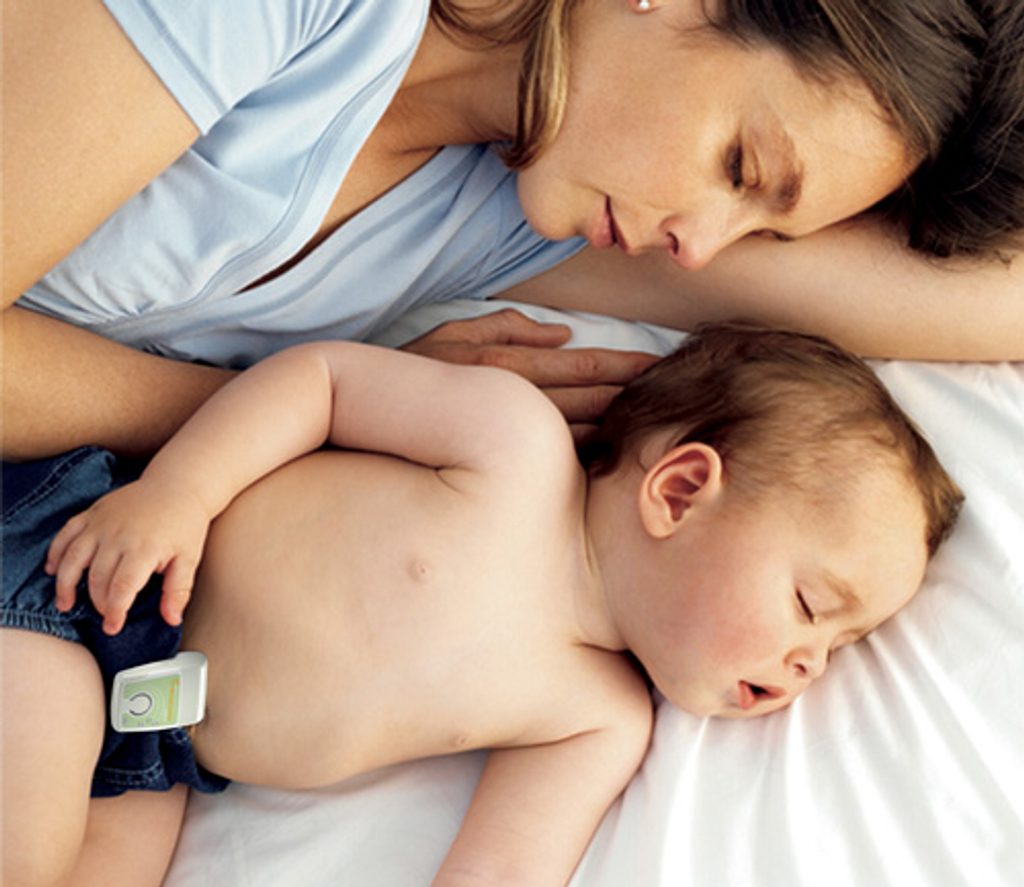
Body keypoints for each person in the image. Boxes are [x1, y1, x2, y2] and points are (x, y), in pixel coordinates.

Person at [3, 323, 964, 886]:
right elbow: (323, 380)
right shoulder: (515, 446)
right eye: (811, 604)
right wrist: (182, 491)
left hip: (157, 756)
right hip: (91, 579)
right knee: (26, 853)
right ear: (678, 491)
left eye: (844, 644)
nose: (812, 662)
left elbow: (502, 869)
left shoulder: (598, 717)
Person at [3, 0, 1023, 460]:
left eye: (765, 226)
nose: (705, 246)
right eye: (740, 168)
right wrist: (315, 406)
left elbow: (986, 302)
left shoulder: (511, 217)